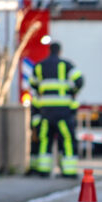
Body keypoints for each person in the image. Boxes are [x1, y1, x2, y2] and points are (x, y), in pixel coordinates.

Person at [28, 42, 83, 178]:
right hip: (63, 111)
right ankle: (69, 171)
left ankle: (43, 170)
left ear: (49, 50)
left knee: (44, 140)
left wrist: (42, 93)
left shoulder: (39, 66)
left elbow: (32, 84)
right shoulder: (67, 65)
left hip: (45, 111)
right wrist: (72, 92)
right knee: (67, 140)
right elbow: (80, 81)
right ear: (60, 51)